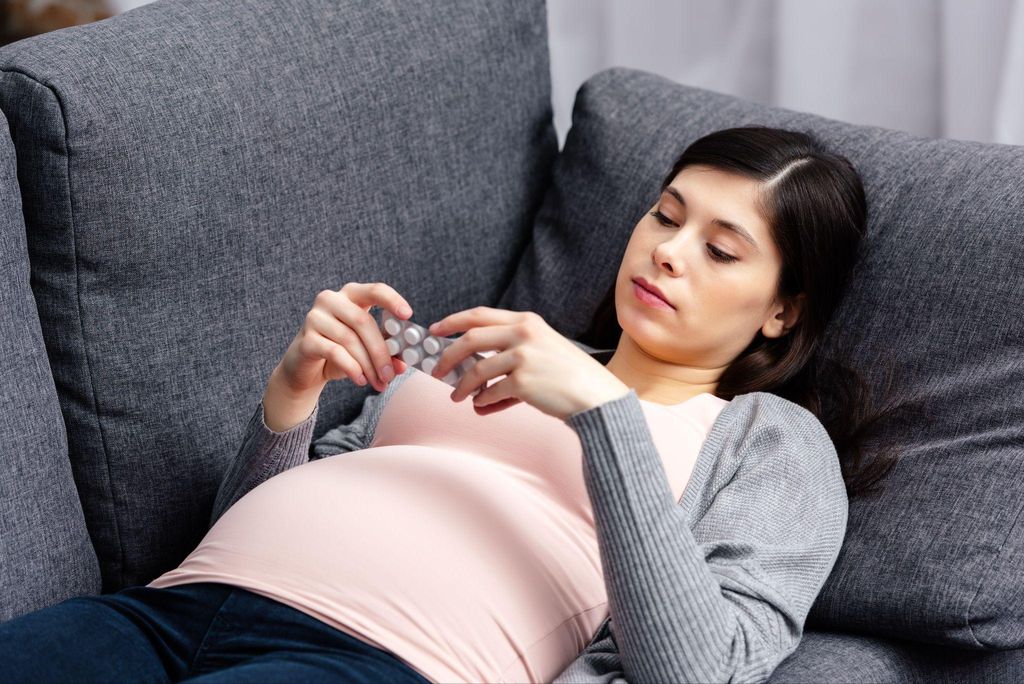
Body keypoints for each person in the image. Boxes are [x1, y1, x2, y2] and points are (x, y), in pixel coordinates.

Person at [0, 126, 901, 684]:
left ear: (783, 310)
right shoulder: (504, 345)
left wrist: (603, 415)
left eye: (723, 249)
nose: (669, 252)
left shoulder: (769, 442)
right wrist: (292, 397)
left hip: (376, 663)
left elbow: (700, 671)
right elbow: (248, 525)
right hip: (173, 607)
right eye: (666, 217)